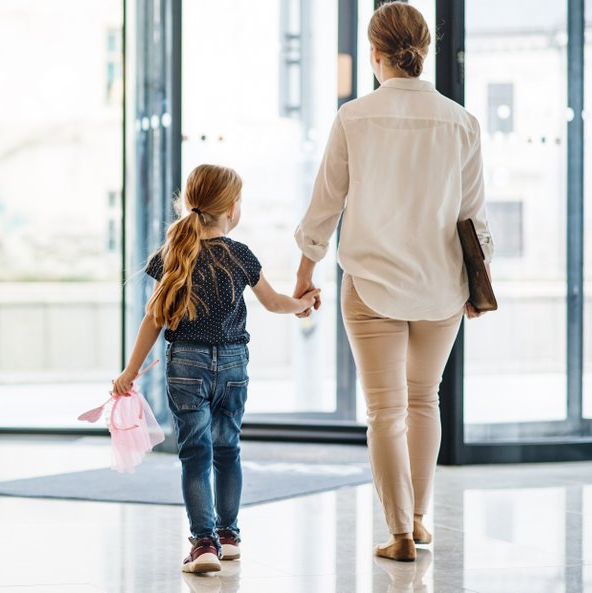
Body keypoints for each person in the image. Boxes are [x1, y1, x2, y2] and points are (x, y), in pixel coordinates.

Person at [293, 1, 494, 562]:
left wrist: (304, 275)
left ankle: (399, 533)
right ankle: (422, 520)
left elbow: (324, 207)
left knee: (384, 411)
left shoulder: (353, 117)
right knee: (423, 400)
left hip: (370, 284)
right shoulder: (462, 121)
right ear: (424, 52)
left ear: (375, 54)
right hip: (442, 286)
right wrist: (479, 285)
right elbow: (474, 217)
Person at [112, 164, 320, 574]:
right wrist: (304, 304)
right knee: (228, 449)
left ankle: (203, 543)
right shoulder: (239, 254)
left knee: (195, 453)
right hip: (232, 365)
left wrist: (129, 372)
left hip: (186, 364)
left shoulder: (173, 254)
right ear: (230, 209)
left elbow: (153, 319)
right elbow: (275, 302)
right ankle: (229, 534)